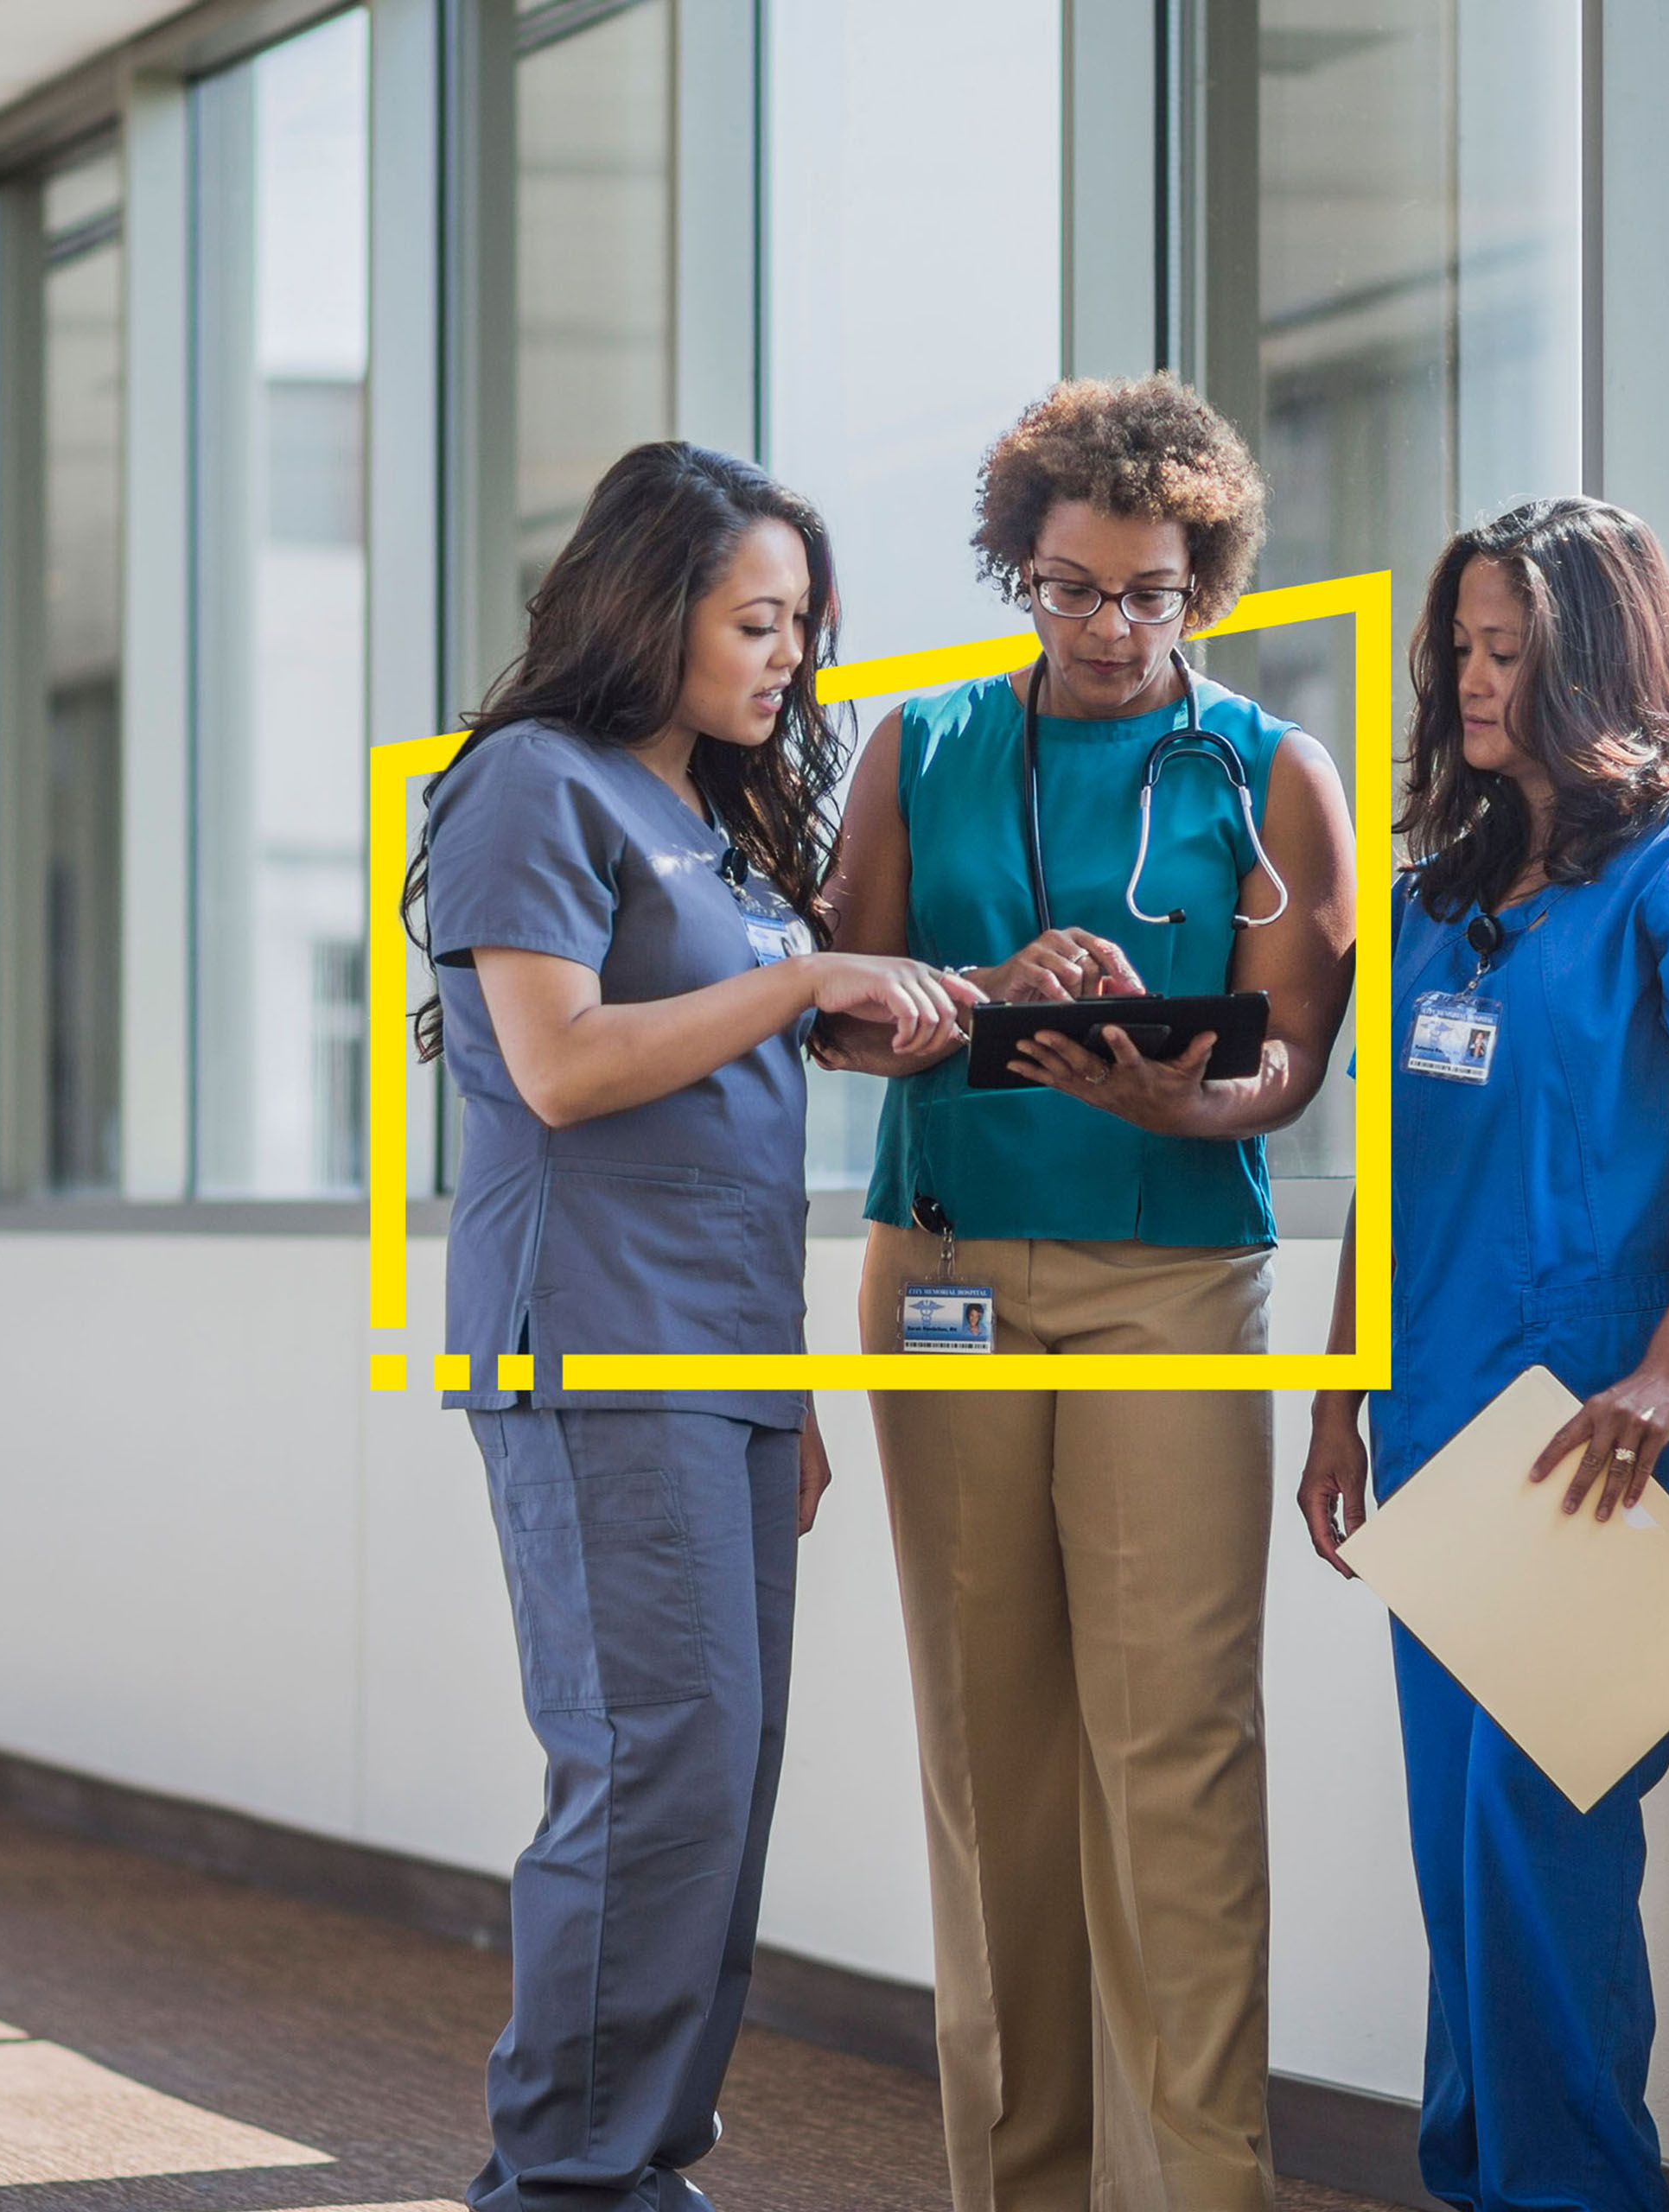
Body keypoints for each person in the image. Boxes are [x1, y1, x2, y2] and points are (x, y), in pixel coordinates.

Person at [410, 441, 978, 2212]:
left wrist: (787, 1379)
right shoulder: (530, 782)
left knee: (720, 1775)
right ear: (647, 605)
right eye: (756, 616)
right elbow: (566, 1066)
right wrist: (806, 977)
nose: (789, 655)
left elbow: (735, 1131)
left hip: (721, 1358)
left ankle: (638, 2159)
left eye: (803, 622)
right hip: (594, 1347)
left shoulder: (720, 832)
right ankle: (566, 2177)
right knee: (651, 1763)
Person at [819, 376, 1357, 2212]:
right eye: (1072, 587)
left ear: (1205, 581)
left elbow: (1295, 1051)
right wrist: (982, 981)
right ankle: (1021, 2186)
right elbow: (834, 999)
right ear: (1016, 571)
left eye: (1152, 592)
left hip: (1178, 1274)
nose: (1113, 627)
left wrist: (1191, 1095)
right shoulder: (922, 744)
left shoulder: (1274, 772)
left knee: (1179, 1749)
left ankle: (1198, 2190)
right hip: (948, 1262)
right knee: (993, 1757)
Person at [1295, 497, 1669, 2212]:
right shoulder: (1436, 893)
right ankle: (1480, 2175)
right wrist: (1334, 1393)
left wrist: (1666, 1371)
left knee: (1539, 1831)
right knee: (1461, 1846)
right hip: (1435, 1413)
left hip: (1602, 1435)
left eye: (1512, 650)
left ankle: (1576, 2189)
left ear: (1597, 662)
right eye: (1462, 648)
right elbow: (1390, 1164)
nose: (1475, 678)